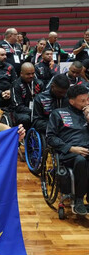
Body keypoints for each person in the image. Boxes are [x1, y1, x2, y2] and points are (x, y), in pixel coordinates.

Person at [46, 84, 89, 215]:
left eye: (88, 99)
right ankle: (79, 200)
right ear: (71, 101)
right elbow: (50, 138)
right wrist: (70, 148)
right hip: (69, 153)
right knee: (81, 160)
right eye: (83, 101)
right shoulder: (58, 113)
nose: (87, 103)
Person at [11, 62, 45, 131]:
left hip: (37, 111)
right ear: (21, 73)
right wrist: (33, 111)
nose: (31, 76)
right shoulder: (16, 85)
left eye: (33, 73)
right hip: (21, 112)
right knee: (26, 118)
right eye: (28, 74)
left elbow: (44, 100)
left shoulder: (39, 83)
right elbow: (18, 106)